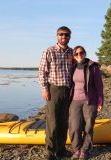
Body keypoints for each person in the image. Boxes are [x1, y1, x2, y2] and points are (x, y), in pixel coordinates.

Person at [38, 26, 73, 160]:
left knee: (64, 121)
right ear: (57, 36)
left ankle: (61, 149)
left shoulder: (72, 52)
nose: (64, 36)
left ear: (70, 36)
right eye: (61, 34)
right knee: (52, 122)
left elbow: (81, 64)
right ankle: (50, 152)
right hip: (54, 89)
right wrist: (44, 89)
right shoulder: (49, 51)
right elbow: (42, 71)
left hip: (68, 90)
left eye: (66, 34)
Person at [69, 46, 104, 160]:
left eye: (81, 53)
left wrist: (100, 102)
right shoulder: (72, 67)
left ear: (85, 53)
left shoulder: (93, 67)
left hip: (90, 101)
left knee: (88, 126)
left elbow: (99, 86)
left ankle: (85, 150)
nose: (79, 55)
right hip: (74, 100)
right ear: (73, 56)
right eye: (76, 54)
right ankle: (76, 149)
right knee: (75, 127)